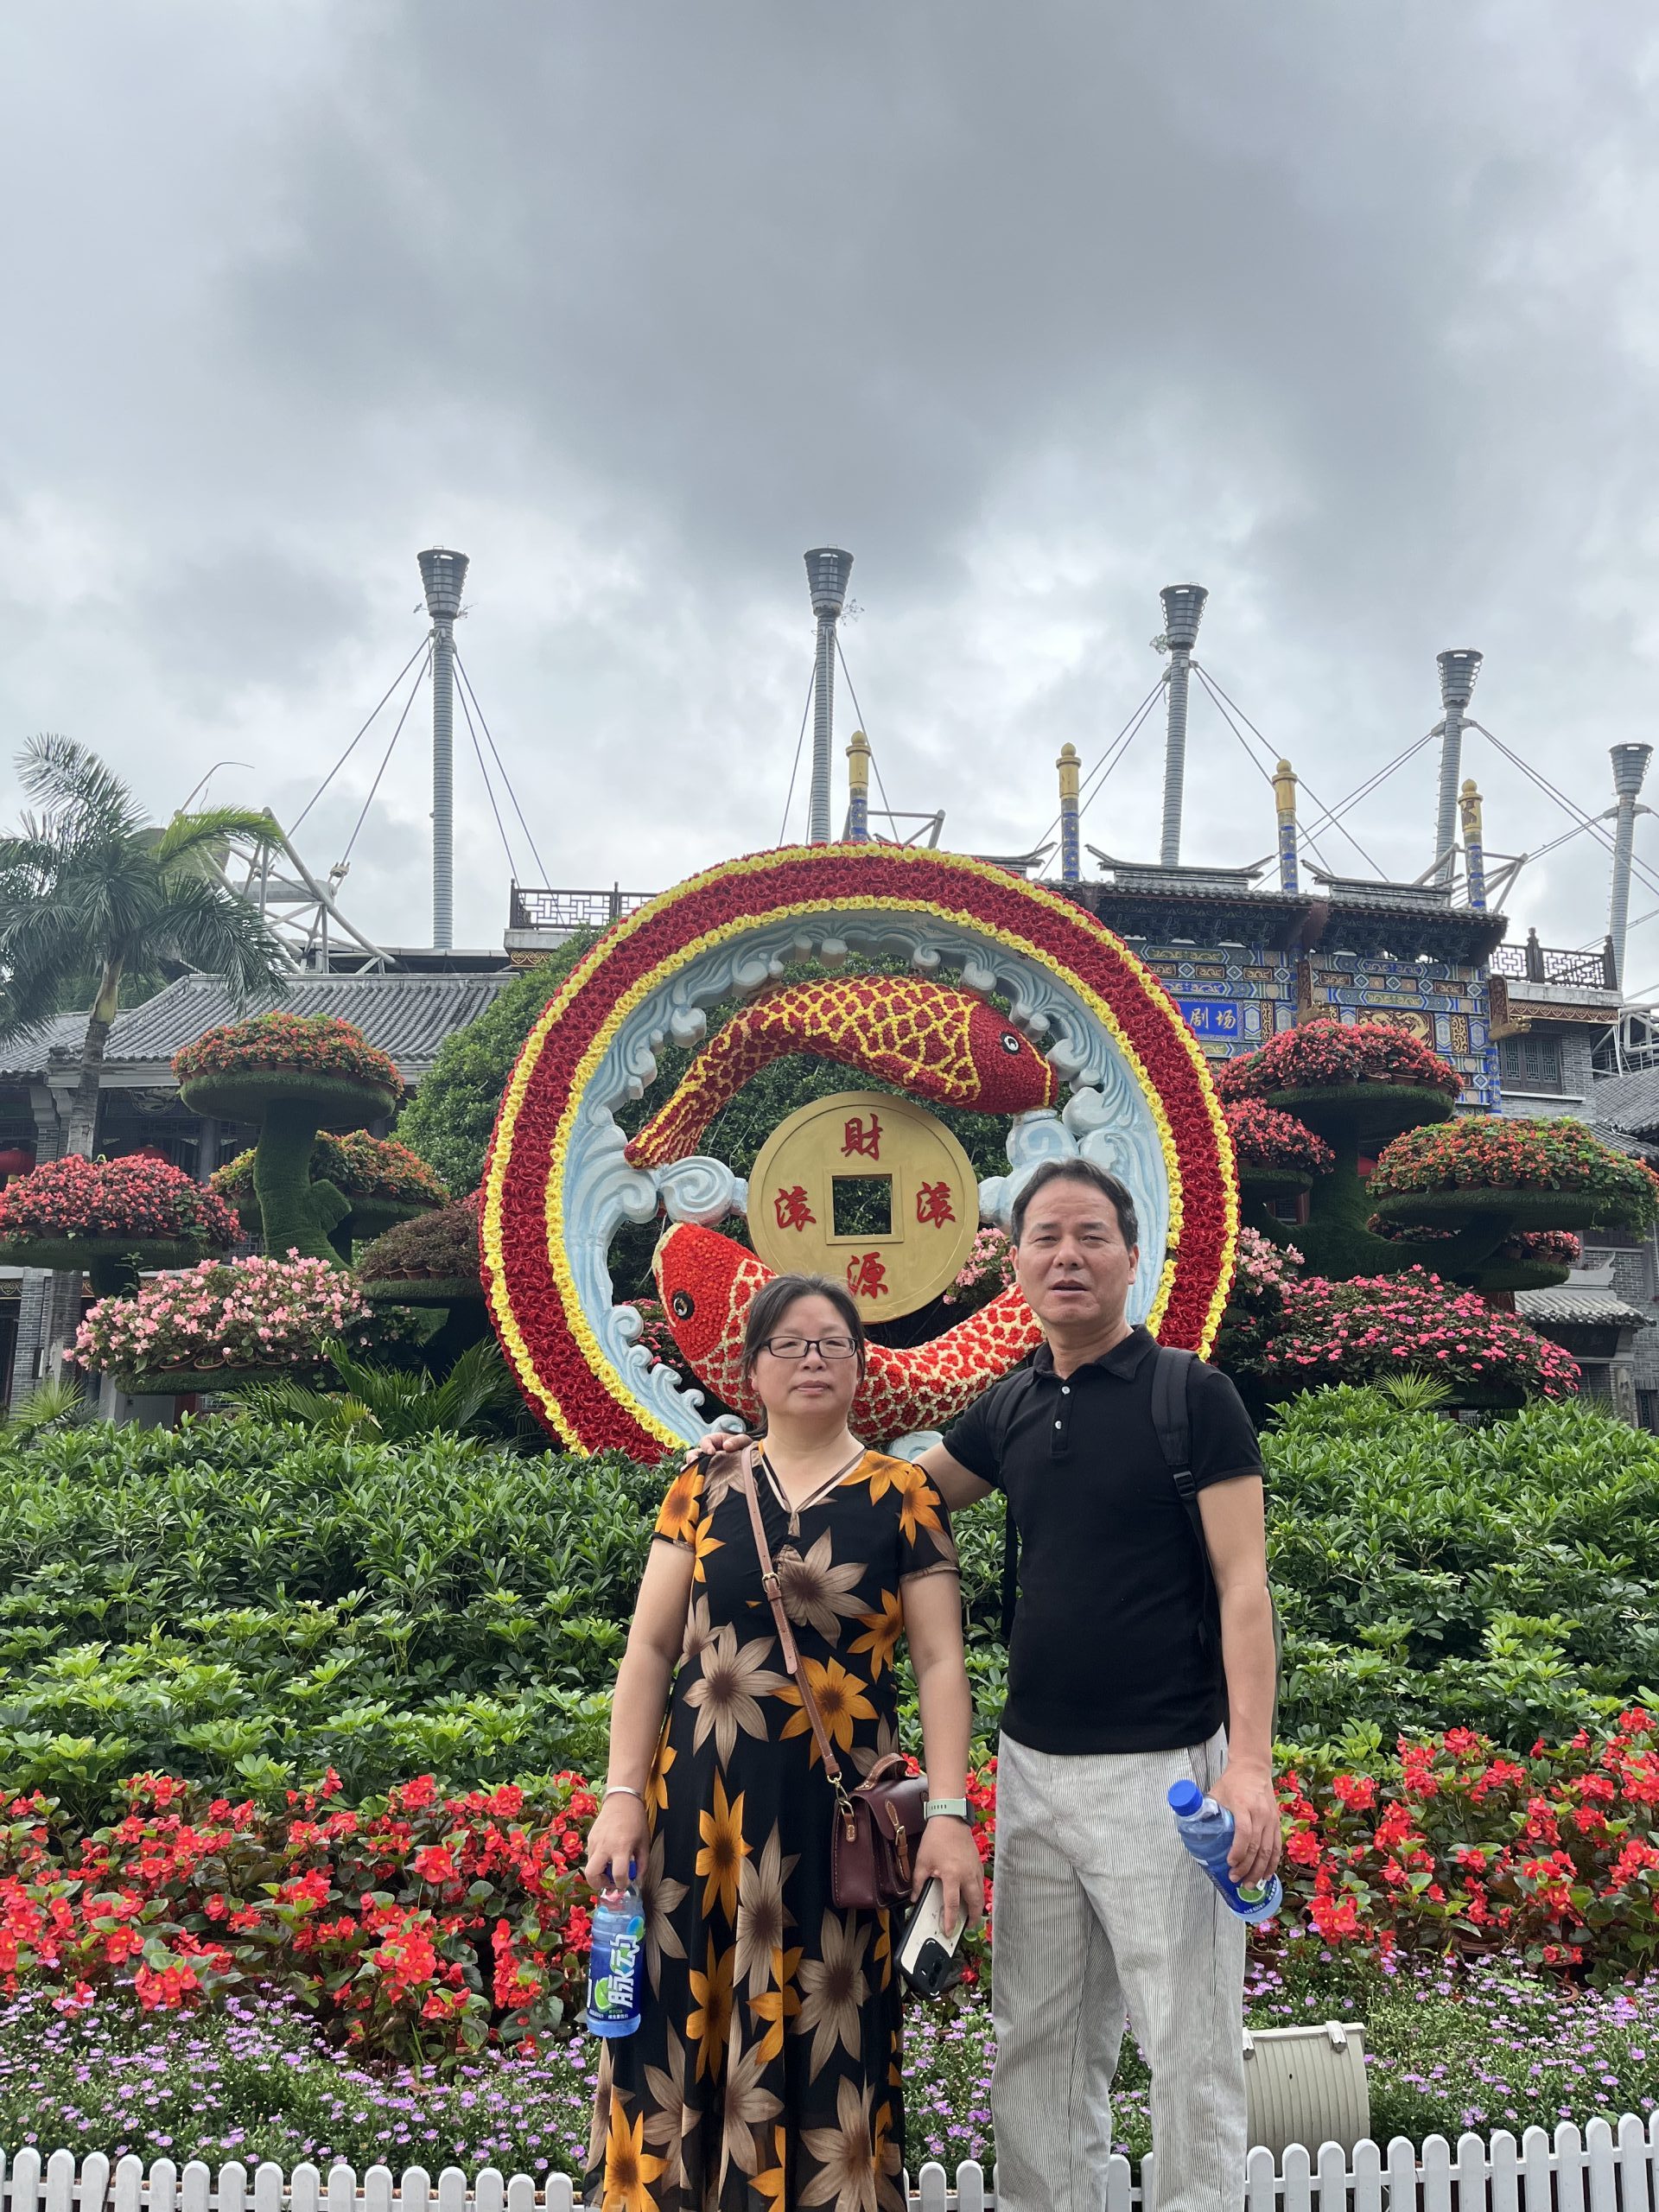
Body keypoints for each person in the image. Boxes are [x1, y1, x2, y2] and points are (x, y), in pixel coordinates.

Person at [692, 1158, 1278, 2212]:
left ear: (1131, 1255)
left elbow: (1244, 1586)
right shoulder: (1012, 1404)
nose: (1067, 1256)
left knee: (1187, 2042)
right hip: (1033, 1768)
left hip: (1165, 1770)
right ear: (1017, 1264)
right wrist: (761, 1453)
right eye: (1045, 1237)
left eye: (1090, 1236)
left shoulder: (1191, 1396)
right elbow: (885, 1498)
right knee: (1038, 2039)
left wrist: (1249, 1765)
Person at [583, 1271, 983, 2212]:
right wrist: (621, 1796)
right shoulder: (706, 1482)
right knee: (678, 2018)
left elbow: (940, 1664)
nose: (813, 1360)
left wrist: (950, 1813)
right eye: (790, 1344)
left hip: (835, 1830)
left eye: (833, 1343)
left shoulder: (904, 1495)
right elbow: (649, 1649)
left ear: (861, 1367)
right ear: (752, 1369)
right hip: (700, 1818)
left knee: (830, 2015)